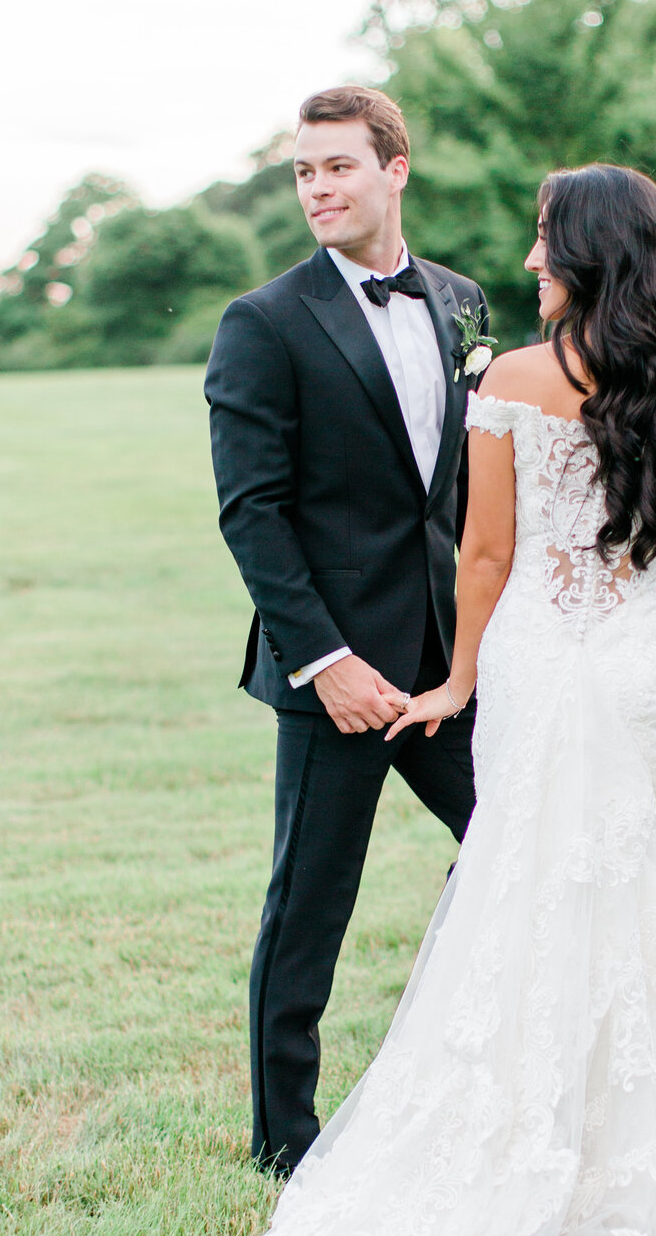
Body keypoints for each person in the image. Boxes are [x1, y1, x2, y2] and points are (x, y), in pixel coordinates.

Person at [180, 165, 656, 1236]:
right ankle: (653, 1164)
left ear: (587, 254)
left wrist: (459, 679)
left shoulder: (513, 381)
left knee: (528, 902)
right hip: (649, 677)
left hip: (540, 676)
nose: (527, 262)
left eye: (545, 241)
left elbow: (486, 556)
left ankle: (535, 1158)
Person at [202, 84, 491, 1179]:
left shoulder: (461, 303)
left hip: (450, 668)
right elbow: (252, 514)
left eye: (339, 167)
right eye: (304, 172)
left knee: (524, 846)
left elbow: (465, 498)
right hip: (337, 674)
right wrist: (325, 661)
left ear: (395, 168)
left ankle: (497, 1075)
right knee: (308, 904)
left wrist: (480, 651)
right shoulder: (264, 323)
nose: (319, 188)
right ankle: (286, 1142)